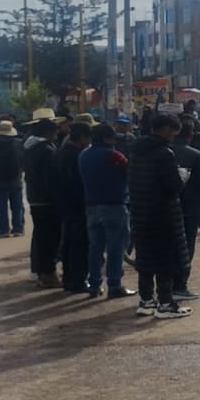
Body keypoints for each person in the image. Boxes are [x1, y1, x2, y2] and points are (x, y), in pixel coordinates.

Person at [127, 113, 191, 319]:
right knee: (166, 260)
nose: (173, 136)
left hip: (140, 212)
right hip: (163, 214)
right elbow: (173, 187)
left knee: (145, 259)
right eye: (173, 131)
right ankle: (165, 303)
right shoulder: (164, 153)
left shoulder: (135, 151)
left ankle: (146, 301)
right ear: (164, 129)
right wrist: (183, 176)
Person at [79, 122, 134, 299]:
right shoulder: (114, 156)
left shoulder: (83, 155)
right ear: (106, 138)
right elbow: (129, 173)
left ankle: (94, 285)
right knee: (116, 249)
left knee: (95, 249)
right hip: (114, 206)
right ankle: (115, 285)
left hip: (91, 207)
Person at [172, 118, 200, 302]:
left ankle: (166, 286)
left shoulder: (163, 152)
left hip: (165, 208)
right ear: (190, 134)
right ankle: (180, 285)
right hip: (189, 209)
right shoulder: (195, 155)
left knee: (167, 246)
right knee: (186, 247)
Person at [23, 109, 64, 286]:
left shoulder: (29, 147)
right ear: (48, 132)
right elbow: (52, 178)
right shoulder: (46, 150)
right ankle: (49, 273)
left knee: (41, 237)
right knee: (50, 239)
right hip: (48, 201)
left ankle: (41, 272)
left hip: (35, 198)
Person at [53, 122, 92, 292]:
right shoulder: (78, 155)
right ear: (82, 137)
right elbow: (80, 182)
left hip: (64, 204)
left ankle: (69, 278)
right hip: (78, 205)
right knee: (79, 244)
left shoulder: (60, 152)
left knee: (68, 242)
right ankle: (78, 280)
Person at [0, 119, 26, 237]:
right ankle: (18, 228)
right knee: (17, 205)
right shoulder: (18, 143)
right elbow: (24, 160)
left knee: (1, 206)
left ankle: (2, 230)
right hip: (15, 179)